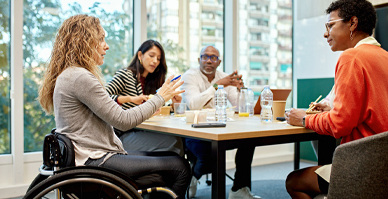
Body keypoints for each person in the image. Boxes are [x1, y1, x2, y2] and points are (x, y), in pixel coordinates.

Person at [37, 14, 191, 199]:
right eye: (101, 38)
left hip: (90, 156)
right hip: (95, 161)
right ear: (84, 41)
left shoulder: (70, 75)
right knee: (180, 167)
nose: (106, 45)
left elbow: (114, 113)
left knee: (170, 156)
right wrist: (160, 96)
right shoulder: (80, 77)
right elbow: (123, 121)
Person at [285, 0, 388, 198]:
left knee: (293, 181)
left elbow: (340, 125)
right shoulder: (384, 56)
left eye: (330, 25)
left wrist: (304, 119)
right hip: (382, 166)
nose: (326, 33)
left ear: (353, 23)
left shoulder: (352, 57)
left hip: (361, 167)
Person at [181, 45, 260, 199]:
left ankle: (237, 189)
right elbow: (193, 104)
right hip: (195, 131)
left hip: (220, 130)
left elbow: (239, 108)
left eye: (213, 57)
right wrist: (218, 85)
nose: (209, 61)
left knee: (249, 141)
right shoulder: (190, 76)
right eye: (205, 56)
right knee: (211, 158)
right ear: (199, 60)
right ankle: (193, 177)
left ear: (219, 61)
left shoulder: (224, 77)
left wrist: (240, 90)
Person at [106, 39, 184, 156]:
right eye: (151, 56)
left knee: (176, 139)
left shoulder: (153, 82)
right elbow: (103, 98)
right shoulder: (126, 75)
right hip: (121, 135)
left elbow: (158, 110)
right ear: (140, 55)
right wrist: (130, 99)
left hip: (143, 131)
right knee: (174, 142)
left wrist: (174, 104)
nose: (155, 61)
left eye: (158, 58)